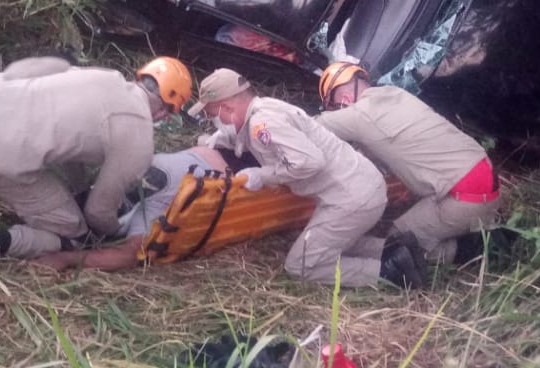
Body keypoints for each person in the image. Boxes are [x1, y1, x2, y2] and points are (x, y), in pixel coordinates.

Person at [0, 55, 193, 259]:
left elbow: (73, 142)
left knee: (55, 191)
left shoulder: (105, 77)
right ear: (166, 113)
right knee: (73, 236)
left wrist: (77, 190)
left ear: (143, 76)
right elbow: (97, 213)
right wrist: (115, 231)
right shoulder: (139, 137)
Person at [191, 68, 425, 288]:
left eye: (212, 115)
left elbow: (309, 161)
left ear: (227, 107)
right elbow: (264, 142)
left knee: (301, 265)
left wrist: (263, 175)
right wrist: (224, 138)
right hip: (359, 188)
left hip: (351, 198)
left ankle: (390, 272)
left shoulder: (263, 123)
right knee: (334, 243)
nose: (212, 120)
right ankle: (398, 249)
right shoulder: (265, 109)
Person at [315, 62, 507, 264]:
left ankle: (475, 249)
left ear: (344, 99)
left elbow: (305, 127)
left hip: (466, 197)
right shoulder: (396, 94)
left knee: (397, 244)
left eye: (334, 108)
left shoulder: (357, 116)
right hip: (488, 179)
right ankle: (473, 225)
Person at [31, 145, 240, 271]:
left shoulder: (144, 210)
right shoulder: (130, 173)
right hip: (219, 157)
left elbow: (129, 256)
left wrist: (67, 259)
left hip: (237, 177)